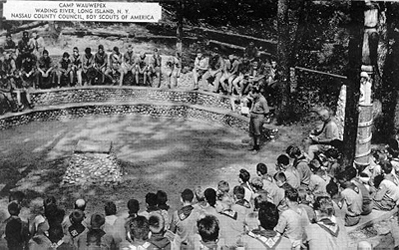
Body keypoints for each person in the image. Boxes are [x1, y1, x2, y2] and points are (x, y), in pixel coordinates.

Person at [248, 86, 269, 153]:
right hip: (253, 116)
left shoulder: (263, 100)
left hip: (259, 117)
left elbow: (266, 111)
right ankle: (254, 146)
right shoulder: (255, 99)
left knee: (257, 133)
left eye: (253, 93)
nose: (252, 95)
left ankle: (257, 147)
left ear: (257, 93)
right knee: (252, 132)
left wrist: (262, 119)